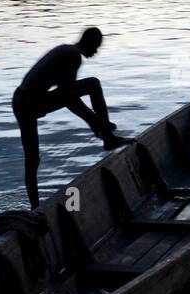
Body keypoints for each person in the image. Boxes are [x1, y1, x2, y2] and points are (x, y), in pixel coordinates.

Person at [12, 27, 132, 208]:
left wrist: (93, 121)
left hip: (22, 100)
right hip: (29, 102)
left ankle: (34, 206)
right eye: (96, 47)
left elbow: (66, 94)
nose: (96, 52)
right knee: (32, 158)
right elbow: (68, 97)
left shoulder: (68, 51)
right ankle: (108, 137)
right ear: (89, 42)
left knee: (33, 159)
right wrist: (96, 121)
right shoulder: (73, 56)